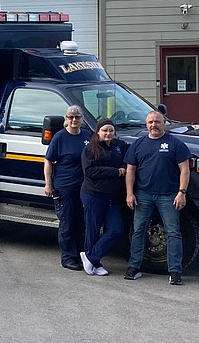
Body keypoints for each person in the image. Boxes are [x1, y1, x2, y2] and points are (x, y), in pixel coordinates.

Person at [124, 110, 192, 285]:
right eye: (150, 122)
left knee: (173, 232)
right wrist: (129, 193)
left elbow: (184, 170)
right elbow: (130, 170)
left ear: (164, 123)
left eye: (157, 122)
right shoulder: (138, 144)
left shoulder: (175, 144)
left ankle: (175, 271)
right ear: (146, 124)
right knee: (139, 230)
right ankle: (134, 267)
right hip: (143, 195)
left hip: (169, 196)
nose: (153, 125)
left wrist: (181, 192)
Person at [43, 105, 92, 270]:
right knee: (67, 223)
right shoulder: (59, 137)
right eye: (70, 117)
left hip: (83, 187)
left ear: (82, 119)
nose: (74, 120)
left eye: (77, 117)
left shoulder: (86, 135)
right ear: (66, 119)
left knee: (81, 223)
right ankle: (68, 258)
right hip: (65, 187)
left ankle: (81, 255)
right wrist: (48, 184)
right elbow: (48, 161)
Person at [79, 118, 129, 276]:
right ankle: (95, 263)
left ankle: (90, 257)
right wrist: (116, 171)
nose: (108, 133)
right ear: (98, 132)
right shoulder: (90, 149)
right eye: (105, 130)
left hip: (112, 196)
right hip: (93, 195)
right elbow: (90, 171)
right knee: (92, 230)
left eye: (111, 131)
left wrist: (124, 166)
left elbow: (132, 155)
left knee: (116, 229)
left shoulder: (119, 146)